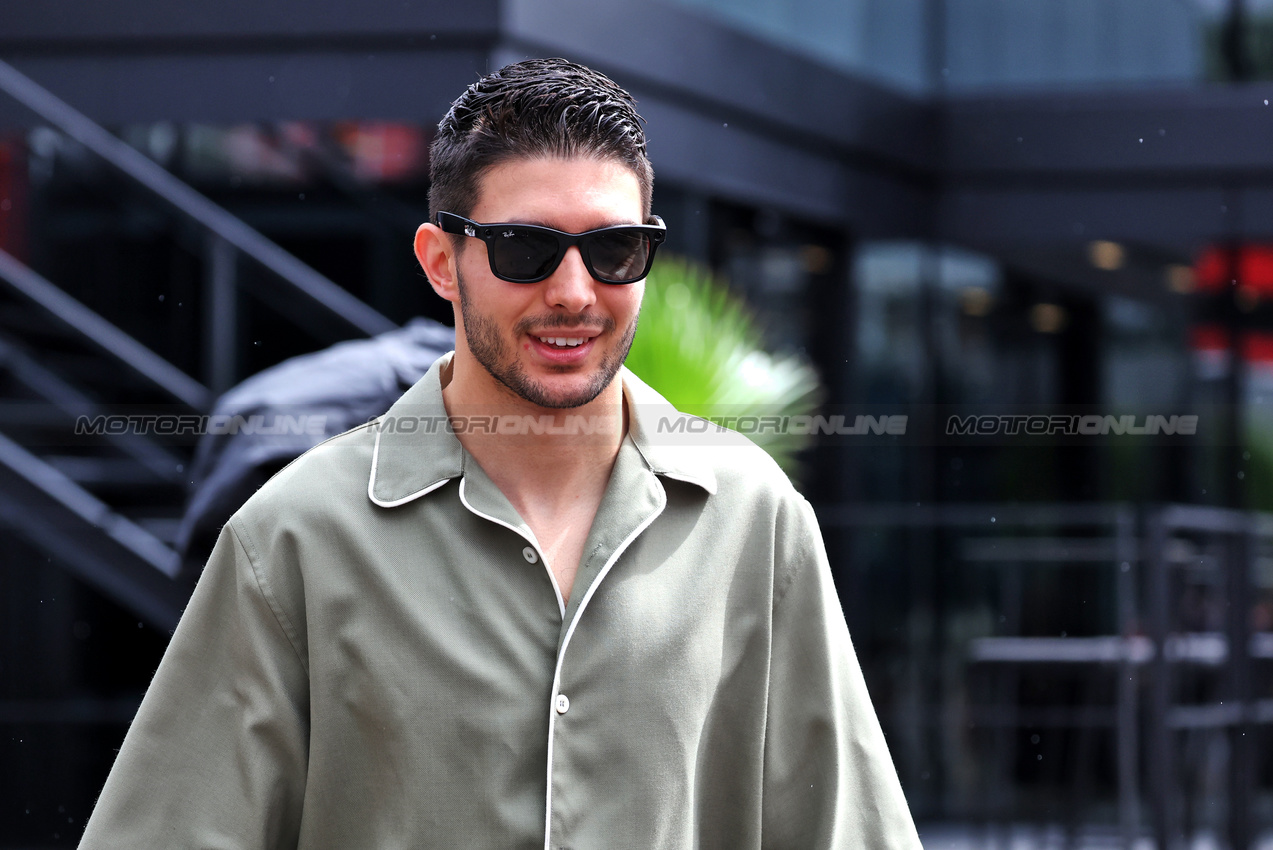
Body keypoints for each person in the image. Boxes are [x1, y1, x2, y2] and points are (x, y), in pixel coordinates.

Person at [79, 58, 920, 849]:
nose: (573, 291)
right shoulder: (294, 537)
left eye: (613, 249)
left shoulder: (754, 521)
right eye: (524, 248)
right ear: (441, 262)